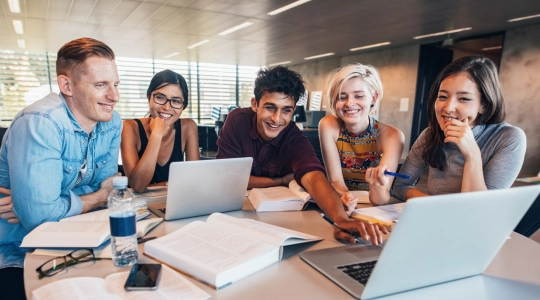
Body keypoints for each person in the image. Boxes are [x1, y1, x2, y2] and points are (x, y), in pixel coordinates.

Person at [0, 38, 122, 300]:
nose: (114, 96)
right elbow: (47, 215)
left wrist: (45, 204)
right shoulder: (40, 122)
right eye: (101, 85)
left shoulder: (111, 122)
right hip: (2, 255)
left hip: (61, 241)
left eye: (115, 84)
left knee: (124, 277)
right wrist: (95, 196)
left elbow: (107, 186)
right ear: (66, 85)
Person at [216, 66, 386, 245]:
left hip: (274, 217)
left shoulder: (294, 137)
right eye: (270, 107)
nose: (276, 118)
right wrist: (280, 181)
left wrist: (341, 220)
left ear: (293, 110)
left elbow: (314, 178)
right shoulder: (237, 120)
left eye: (286, 110)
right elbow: (227, 178)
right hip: (234, 213)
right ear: (255, 104)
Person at [393, 56, 526, 200]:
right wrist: (433, 206)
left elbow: (481, 208)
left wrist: (472, 154)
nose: (448, 108)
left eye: (464, 99)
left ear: (484, 105)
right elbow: (401, 186)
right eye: (443, 97)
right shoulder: (430, 135)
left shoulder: (509, 137)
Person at [319, 64, 404, 210]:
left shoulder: (392, 136)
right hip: (344, 203)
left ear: (373, 97)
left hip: (376, 209)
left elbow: (381, 200)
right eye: (342, 97)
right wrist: (347, 197)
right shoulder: (328, 125)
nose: (349, 103)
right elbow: (335, 182)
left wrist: (376, 186)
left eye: (359, 96)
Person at [120, 70, 199, 192]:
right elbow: (138, 186)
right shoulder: (129, 127)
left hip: (175, 201)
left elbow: (194, 180)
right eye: (160, 97)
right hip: (140, 206)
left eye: (176, 101)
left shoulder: (188, 127)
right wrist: (156, 135)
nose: (167, 107)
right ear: (149, 98)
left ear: (183, 106)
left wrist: (154, 186)